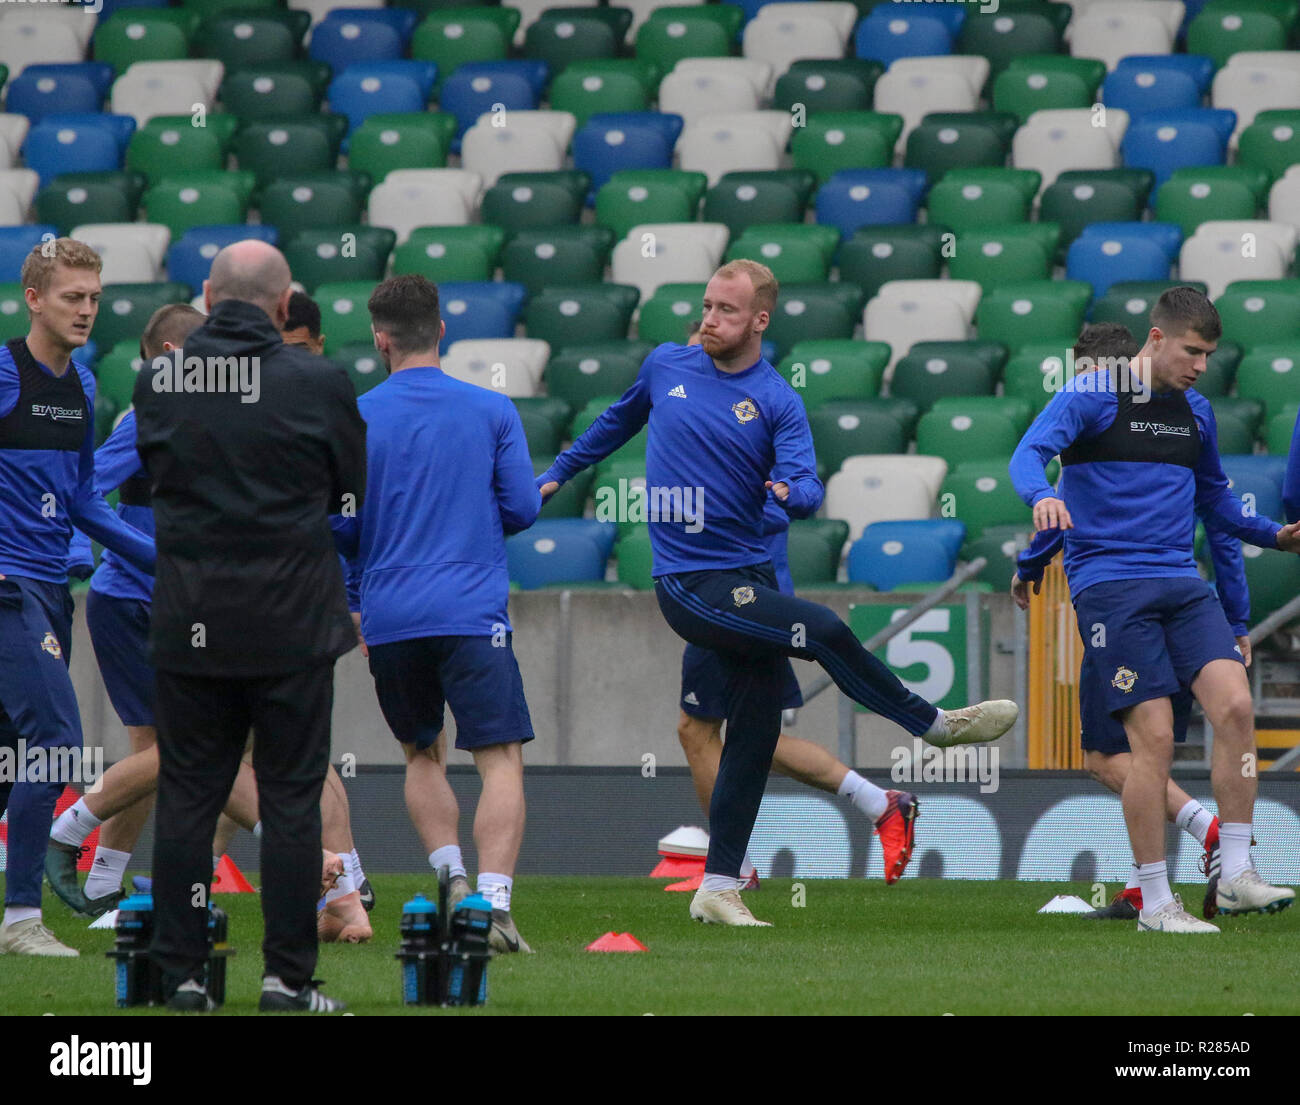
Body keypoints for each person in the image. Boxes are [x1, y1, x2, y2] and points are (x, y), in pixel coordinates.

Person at [539, 260, 1017, 927]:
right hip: (689, 581)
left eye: (726, 310)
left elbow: (810, 483)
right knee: (821, 628)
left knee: (755, 731)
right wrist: (556, 474)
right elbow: (616, 421)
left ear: (760, 319)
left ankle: (719, 885)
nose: (708, 319)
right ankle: (931, 724)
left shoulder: (775, 399)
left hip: (750, 579)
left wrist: (791, 493)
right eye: (706, 305)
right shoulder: (667, 366)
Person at [48, 303, 374, 944]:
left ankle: (339, 888)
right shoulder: (148, 416)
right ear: (174, 354)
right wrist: (151, 555)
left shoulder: (231, 419)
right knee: (190, 752)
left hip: (202, 602)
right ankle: (334, 886)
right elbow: (85, 494)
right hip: (139, 602)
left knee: (215, 752)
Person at [1009, 288, 1299, 934]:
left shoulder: (1197, 413)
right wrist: (1039, 499)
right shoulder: (1091, 394)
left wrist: (1274, 535)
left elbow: (1217, 503)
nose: (1201, 366)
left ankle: (1236, 873)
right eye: (1193, 351)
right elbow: (1027, 454)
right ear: (1157, 338)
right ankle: (1156, 902)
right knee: (1157, 738)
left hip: (1179, 580)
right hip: (1110, 583)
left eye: (1210, 355)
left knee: (1236, 706)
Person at [133, 240, 366, 1011]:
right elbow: (350, 488)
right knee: (293, 799)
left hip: (190, 617)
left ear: (206, 294)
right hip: (291, 624)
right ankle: (286, 981)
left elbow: (153, 476)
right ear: (283, 301)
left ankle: (183, 976)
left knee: (190, 795)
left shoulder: (160, 379)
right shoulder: (321, 381)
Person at [331, 274, 540, 954]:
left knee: (422, 752)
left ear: (380, 339)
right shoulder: (491, 410)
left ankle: (450, 874)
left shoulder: (354, 417)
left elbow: (340, 527)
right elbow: (523, 508)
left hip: (391, 614)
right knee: (499, 757)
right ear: (441, 331)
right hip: (474, 609)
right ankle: (496, 902)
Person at [675, 322, 917, 887]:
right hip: (723, 589)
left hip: (742, 591)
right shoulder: (700, 421)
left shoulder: (751, 414)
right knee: (738, 733)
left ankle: (734, 868)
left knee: (700, 729)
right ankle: (879, 805)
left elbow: (791, 497)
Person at [0, 239, 156, 957]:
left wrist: (167, 563)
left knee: (10, 754)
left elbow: (87, 501)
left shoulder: (86, 386)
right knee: (56, 743)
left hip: (53, 587)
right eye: (72, 297)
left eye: (94, 298)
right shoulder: (4, 372)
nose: (86, 310)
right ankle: (22, 919)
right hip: (7, 585)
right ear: (33, 298)